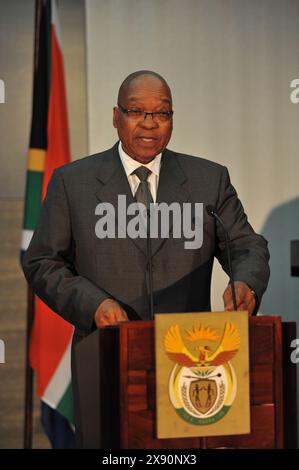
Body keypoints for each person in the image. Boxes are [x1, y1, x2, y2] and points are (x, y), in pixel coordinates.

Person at [22, 70, 270, 445]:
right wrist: (93, 303)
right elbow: (42, 262)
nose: (150, 124)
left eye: (162, 113)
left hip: (192, 363)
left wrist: (245, 282)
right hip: (105, 357)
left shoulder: (208, 180)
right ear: (116, 116)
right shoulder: (72, 183)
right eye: (137, 111)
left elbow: (247, 246)